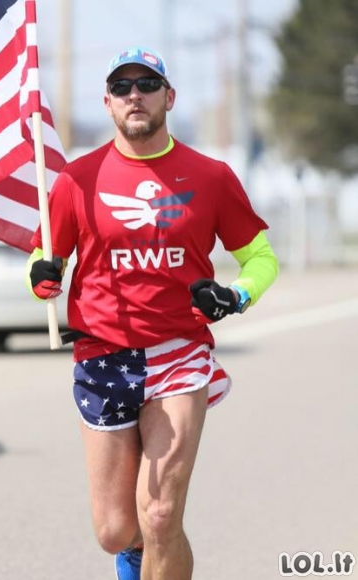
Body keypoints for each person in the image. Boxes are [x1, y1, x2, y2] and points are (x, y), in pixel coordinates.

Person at [26, 46, 279, 580]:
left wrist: (235, 296)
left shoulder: (209, 176)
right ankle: (140, 557)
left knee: (161, 513)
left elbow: (259, 258)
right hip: (102, 355)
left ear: (169, 96)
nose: (134, 95)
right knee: (117, 529)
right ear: (108, 103)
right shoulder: (77, 179)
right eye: (122, 87)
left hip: (178, 351)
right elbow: (47, 254)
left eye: (146, 84)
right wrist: (42, 275)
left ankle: (157, 548)